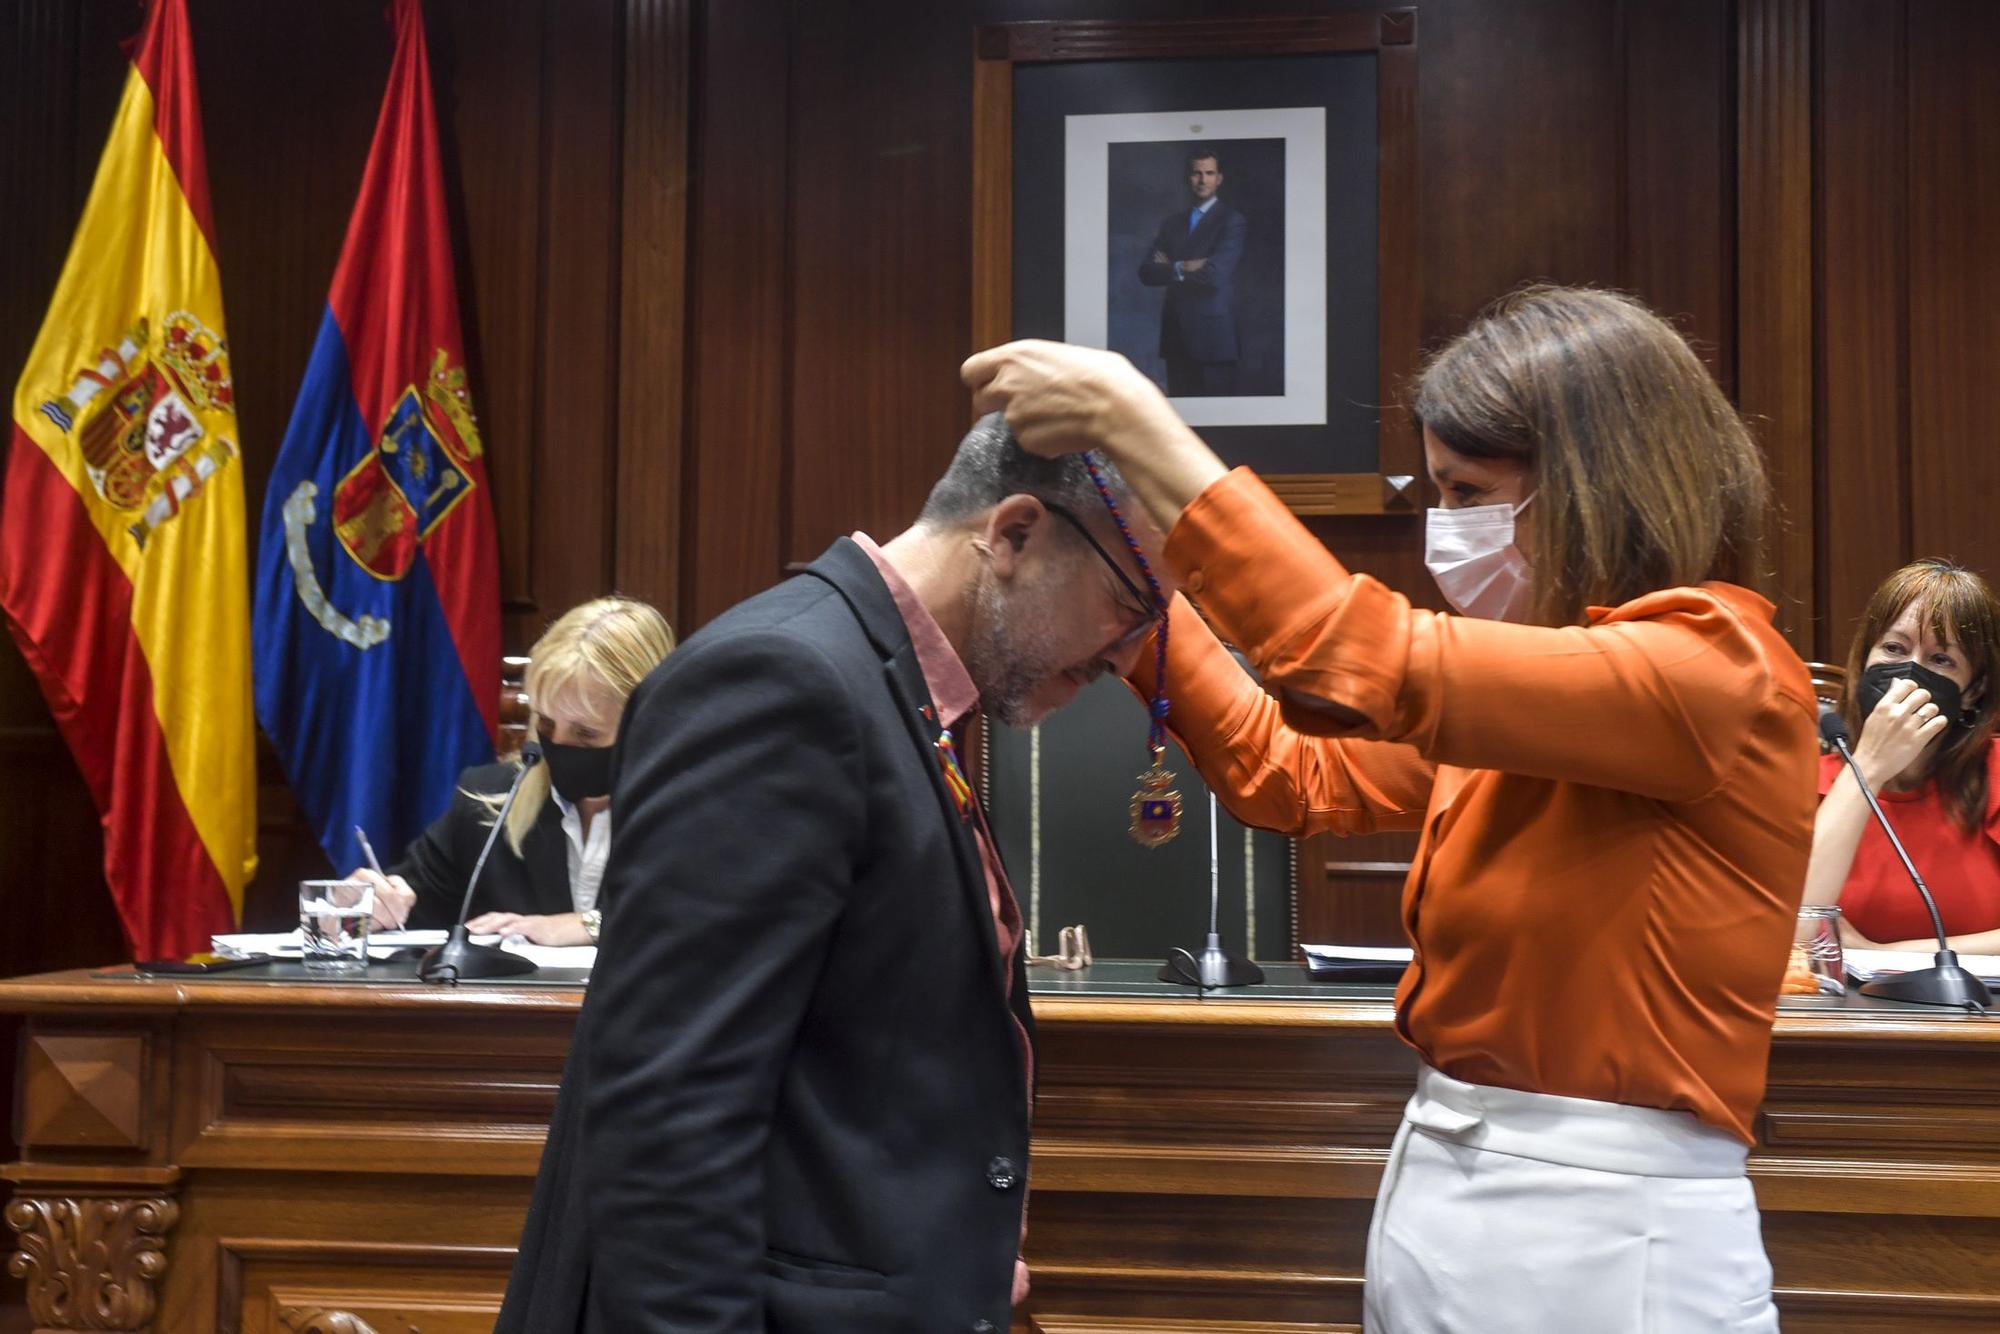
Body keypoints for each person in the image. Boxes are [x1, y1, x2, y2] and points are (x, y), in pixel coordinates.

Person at [963, 285, 1818, 1333]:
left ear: (1596, 484)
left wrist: (1128, 418)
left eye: (1469, 493)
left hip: (1606, 1225)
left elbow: (1350, 647)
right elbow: (1287, 771)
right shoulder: (1546, 708)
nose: (1442, 532)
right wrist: (1133, 594)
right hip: (1442, 1180)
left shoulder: (1712, 668)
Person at [495, 415, 1172, 1332]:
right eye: (1131, 605)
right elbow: (670, 1116)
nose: (1128, 657)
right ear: (1014, 534)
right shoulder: (783, 680)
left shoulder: (895, 685)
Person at [350, 595, 675, 946]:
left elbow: (710, 920)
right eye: (547, 725)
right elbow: (410, 908)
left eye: (586, 734)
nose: (559, 746)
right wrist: (364, 907)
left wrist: (590, 925)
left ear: (646, 722)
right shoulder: (489, 800)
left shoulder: (695, 809)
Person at [1803, 559, 2000, 952]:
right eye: (1894, 648)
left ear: (1973, 691)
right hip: (1834, 1012)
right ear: (1864, 660)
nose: (1908, 674)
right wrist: (1870, 767)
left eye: (1941, 660)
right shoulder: (1801, 782)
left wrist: (1886, 955)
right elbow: (1794, 933)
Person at [1137, 150, 1246, 397]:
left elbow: (1215, 275)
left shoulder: (1231, 221)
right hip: (1176, 336)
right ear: (1188, 178)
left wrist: (1169, 266)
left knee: (1218, 419)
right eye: (1197, 173)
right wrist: (1183, 266)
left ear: (1219, 178)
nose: (1203, 180)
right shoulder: (1172, 223)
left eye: (1209, 173)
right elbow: (1146, 272)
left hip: (1214, 339)